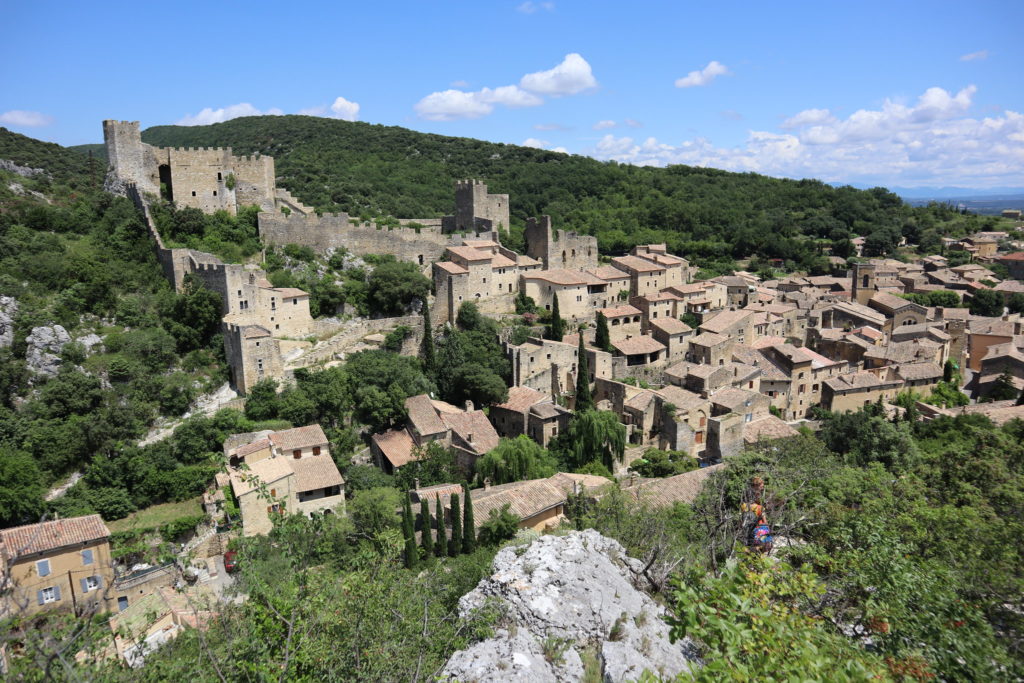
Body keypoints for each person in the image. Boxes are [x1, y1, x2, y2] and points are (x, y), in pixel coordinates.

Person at [740, 476, 773, 554]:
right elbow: (764, 521)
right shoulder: (759, 508)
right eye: (761, 485)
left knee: (751, 549)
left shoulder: (744, 506)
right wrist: (768, 529)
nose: (762, 487)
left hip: (750, 529)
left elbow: (742, 519)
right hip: (761, 528)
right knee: (766, 547)